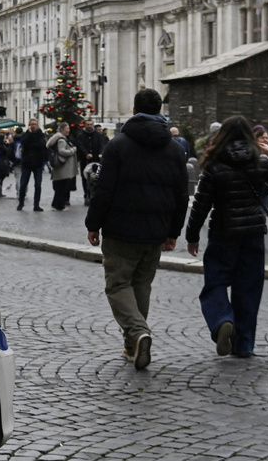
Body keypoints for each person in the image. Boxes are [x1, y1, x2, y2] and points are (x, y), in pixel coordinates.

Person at [86, 89, 189, 370]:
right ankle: (132, 344)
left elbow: (102, 189)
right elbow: (182, 195)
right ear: (160, 111)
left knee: (118, 284)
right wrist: (174, 232)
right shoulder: (175, 149)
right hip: (155, 230)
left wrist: (92, 224)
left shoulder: (118, 145)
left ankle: (137, 333)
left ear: (133, 110)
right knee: (141, 285)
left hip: (120, 229)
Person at [186, 115, 268, 359]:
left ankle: (222, 320)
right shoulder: (261, 161)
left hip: (223, 231)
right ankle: (244, 344)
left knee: (215, 283)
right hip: (253, 232)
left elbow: (201, 204)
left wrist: (192, 236)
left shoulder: (214, 164)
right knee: (249, 288)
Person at [17, 118, 48, 212]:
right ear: (29, 125)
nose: (33, 126)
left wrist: (32, 143)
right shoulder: (25, 135)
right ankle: (21, 203)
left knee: (38, 185)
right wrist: (30, 135)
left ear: (37, 125)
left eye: (35, 124)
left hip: (38, 163)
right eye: (31, 124)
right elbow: (24, 144)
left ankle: (36, 204)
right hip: (27, 163)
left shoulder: (41, 135)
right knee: (23, 185)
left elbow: (40, 145)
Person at [47, 123, 78, 211]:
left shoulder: (59, 138)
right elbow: (62, 151)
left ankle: (55, 203)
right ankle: (59, 206)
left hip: (60, 166)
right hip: (63, 167)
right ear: (62, 130)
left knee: (59, 186)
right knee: (61, 187)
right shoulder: (61, 140)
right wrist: (72, 150)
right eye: (67, 129)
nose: (69, 130)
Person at [76, 124, 109, 205]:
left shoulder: (99, 136)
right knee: (85, 178)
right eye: (88, 124)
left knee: (97, 177)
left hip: (97, 160)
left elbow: (102, 145)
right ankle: (86, 195)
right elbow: (81, 146)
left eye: (91, 124)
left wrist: (101, 153)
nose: (89, 126)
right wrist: (86, 154)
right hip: (85, 160)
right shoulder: (81, 135)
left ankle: (95, 195)